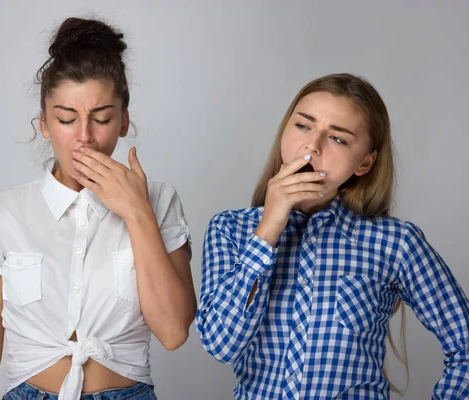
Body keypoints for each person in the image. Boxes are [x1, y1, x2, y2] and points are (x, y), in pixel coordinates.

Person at [0, 17, 196, 400]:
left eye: (101, 119)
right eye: (67, 119)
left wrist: (137, 213)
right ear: (45, 125)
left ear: (123, 122)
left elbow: (172, 332)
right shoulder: (2, 213)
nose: (84, 137)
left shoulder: (159, 201)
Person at [196, 73, 469, 399]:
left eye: (338, 138)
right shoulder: (230, 230)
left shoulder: (396, 243)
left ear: (365, 162)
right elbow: (220, 345)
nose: (312, 145)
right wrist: (268, 229)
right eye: (303, 126)